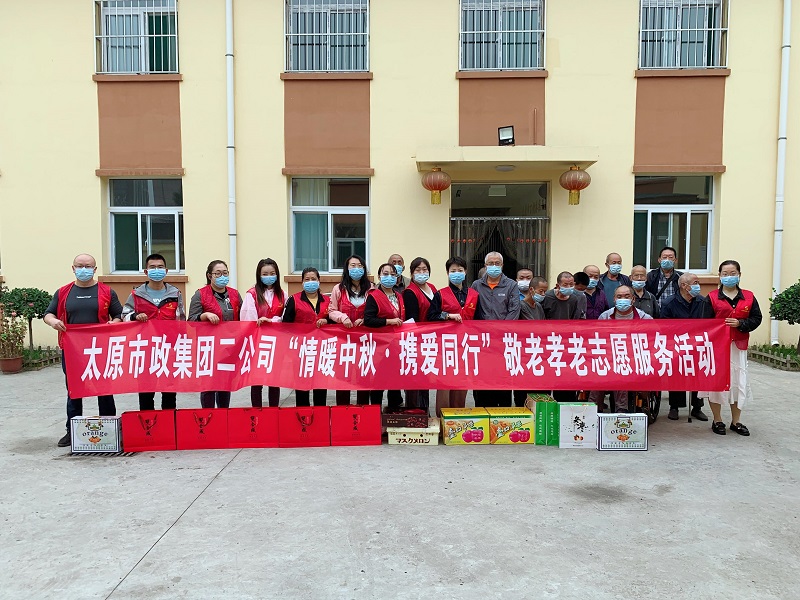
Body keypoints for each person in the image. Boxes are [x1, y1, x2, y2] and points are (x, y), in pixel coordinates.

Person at [44, 254, 124, 447]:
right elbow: (48, 314)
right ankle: (72, 431)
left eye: (88, 266)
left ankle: (108, 428)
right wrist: (54, 322)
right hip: (73, 350)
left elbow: (119, 314)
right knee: (74, 390)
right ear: (73, 268)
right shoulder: (63, 292)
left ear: (95, 269)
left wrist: (113, 323)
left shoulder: (106, 291)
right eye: (80, 266)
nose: (84, 269)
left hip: (100, 349)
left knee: (104, 389)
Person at [700, 260, 763, 436]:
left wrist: (741, 323)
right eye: (725, 274)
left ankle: (736, 421)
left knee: (738, 382)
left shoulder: (749, 297)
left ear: (739, 275)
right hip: (718, 348)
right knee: (717, 383)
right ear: (720, 276)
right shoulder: (712, 297)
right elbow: (704, 323)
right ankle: (717, 420)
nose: (729, 277)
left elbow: (757, 318)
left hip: (739, 346)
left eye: (733, 273)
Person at [121, 253, 186, 412]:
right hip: (145, 350)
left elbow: (181, 320)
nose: (156, 270)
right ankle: (147, 424)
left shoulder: (175, 293)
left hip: (168, 350)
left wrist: (180, 345)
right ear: (146, 271)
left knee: (169, 393)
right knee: (146, 393)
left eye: (160, 267)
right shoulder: (136, 294)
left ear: (166, 270)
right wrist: (135, 316)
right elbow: (124, 315)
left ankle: (168, 423)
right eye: (152, 267)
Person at [427, 257, 479, 416]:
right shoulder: (440, 294)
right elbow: (431, 317)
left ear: (466, 272)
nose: (457, 273)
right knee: (444, 383)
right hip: (446, 346)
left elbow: (480, 320)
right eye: (453, 271)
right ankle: (442, 418)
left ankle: (458, 418)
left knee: (462, 383)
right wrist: (447, 316)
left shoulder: (474, 295)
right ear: (447, 273)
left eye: (460, 270)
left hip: (466, 345)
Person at [188, 260, 242, 409]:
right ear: (209, 276)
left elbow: (243, 318)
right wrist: (204, 315)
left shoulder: (234, 294)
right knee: (209, 385)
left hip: (228, 347)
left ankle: (224, 414)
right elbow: (191, 320)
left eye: (225, 273)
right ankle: (209, 416)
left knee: (225, 384)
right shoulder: (200, 294)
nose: (222, 276)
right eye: (217, 273)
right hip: (208, 348)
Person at [590, 286, 654, 412]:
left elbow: (652, 341)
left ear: (633, 299)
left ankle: (621, 411)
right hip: (608, 358)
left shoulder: (645, 319)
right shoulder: (605, 317)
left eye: (626, 296)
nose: (622, 299)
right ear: (614, 299)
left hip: (634, 359)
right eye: (619, 297)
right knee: (598, 375)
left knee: (620, 372)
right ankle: (593, 410)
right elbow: (597, 340)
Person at [470, 252, 520, 407]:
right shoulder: (476, 285)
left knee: (502, 378)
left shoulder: (511, 285)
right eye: (490, 263)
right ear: (485, 266)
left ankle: (503, 411)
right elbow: (472, 310)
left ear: (502, 265)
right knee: (483, 378)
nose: (494, 266)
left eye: (497, 263)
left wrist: (501, 331)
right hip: (482, 341)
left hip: (503, 341)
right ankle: (482, 409)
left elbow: (514, 310)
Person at [660, 272, 709, 422]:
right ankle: (674, 406)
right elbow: (664, 327)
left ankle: (697, 407)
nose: (698, 286)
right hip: (677, 345)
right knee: (677, 375)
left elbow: (708, 322)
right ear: (684, 286)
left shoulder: (702, 301)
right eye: (695, 283)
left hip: (697, 344)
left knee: (698, 375)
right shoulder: (669, 303)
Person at [328, 254, 374, 406]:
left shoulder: (371, 288)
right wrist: (342, 317)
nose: (356, 269)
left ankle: (363, 410)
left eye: (360, 266)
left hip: (365, 340)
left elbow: (376, 310)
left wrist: (366, 319)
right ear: (347, 269)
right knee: (343, 376)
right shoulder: (338, 289)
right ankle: (343, 411)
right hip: (344, 340)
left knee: (363, 375)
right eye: (352, 266)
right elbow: (331, 310)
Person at [282, 267, 331, 407]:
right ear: (302, 282)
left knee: (320, 387)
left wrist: (327, 321)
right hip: (301, 352)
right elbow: (286, 325)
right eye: (307, 279)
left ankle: (320, 415)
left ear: (319, 281)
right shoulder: (294, 300)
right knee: (302, 388)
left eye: (313, 279)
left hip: (322, 350)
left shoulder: (328, 301)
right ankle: (303, 417)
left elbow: (334, 321)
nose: (310, 282)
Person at [240, 258, 285, 408]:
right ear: (259, 275)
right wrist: (259, 323)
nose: (269, 276)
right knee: (257, 381)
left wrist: (272, 321)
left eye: (272, 273)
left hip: (276, 343)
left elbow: (286, 317)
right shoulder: (252, 294)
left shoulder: (282, 294)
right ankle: (257, 412)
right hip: (257, 343)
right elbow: (247, 319)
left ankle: (274, 411)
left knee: (274, 380)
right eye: (265, 274)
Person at [365, 263, 405, 408]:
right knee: (379, 382)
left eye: (393, 274)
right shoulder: (374, 296)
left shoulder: (399, 296)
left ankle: (394, 411)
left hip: (396, 345)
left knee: (395, 380)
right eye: (385, 274)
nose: (389, 277)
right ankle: (375, 412)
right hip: (380, 346)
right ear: (379, 276)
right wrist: (388, 321)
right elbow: (368, 320)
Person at [542, 271, 585, 402]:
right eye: (565, 285)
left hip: (565, 344)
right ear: (558, 285)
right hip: (547, 342)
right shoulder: (547, 297)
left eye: (571, 284)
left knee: (564, 380)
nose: (569, 287)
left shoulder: (574, 299)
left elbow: (575, 319)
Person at [403, 257, 437, 412]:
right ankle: (414, 413)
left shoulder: (433, 288)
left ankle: (425, 411)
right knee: (415, 380)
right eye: (418, 270)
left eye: (425, 269)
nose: (422, 272)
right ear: (412, 273)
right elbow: (412, 319)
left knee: (426, 378)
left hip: (431, 340)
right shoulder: (410, 292)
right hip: (416, 341)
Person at [514, 269, 545, 407]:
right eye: (540, 291)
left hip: (537, 352)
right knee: (522, 389)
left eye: (544, 292)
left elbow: (544, 326)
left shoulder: (538, 306)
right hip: (524, 353)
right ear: (532, 290)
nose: (543, 295)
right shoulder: (521, 305)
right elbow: (533, 327)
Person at [645, 246, 682, 310]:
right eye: (664, 257)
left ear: (675, 260)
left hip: (675, 312)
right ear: (659, 260)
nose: (667, 260)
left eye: (670, 257)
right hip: (657, 312)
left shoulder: (680, 277)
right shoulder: (651, 276)